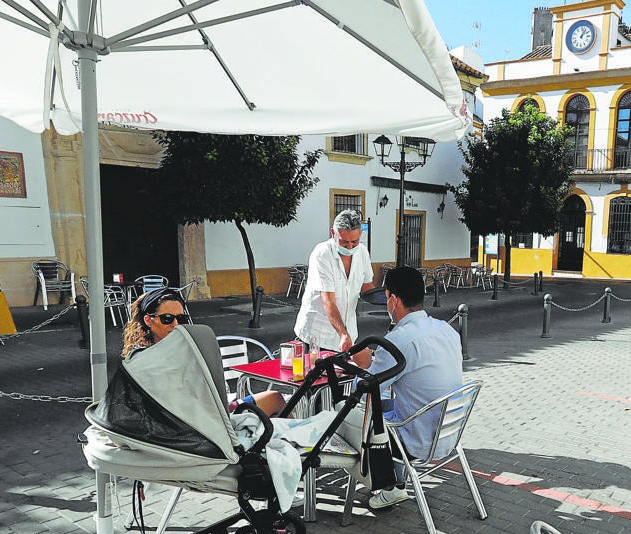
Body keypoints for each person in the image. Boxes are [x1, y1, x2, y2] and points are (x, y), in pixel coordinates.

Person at [355, 266, 464, 509]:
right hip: (450, 432)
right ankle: (396, 483)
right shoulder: (446, 329)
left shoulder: (398, 340)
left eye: (387, 298)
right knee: (390, 408)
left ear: (393, 300)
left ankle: (389, 487)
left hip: (418, 441)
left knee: (352, 416)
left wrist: (363, 365)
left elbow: (365, 391)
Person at [123, 288, 285, 417]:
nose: (176, 324)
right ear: (148, 320)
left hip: (206, 413)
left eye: (181, 318)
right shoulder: (145, 358)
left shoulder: (180, 346)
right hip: (198, 422)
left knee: (274, 397)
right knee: (275, 401)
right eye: (167, 318)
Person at [295, 210, 376, 353]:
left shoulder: (362, 252)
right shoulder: (322, 254)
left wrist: (391, 300)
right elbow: (328, 301)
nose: (350, 247)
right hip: (317, 336)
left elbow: (367, 286)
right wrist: (343, 334)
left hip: (348, 333)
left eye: (354, 242)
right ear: (333, 233)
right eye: (344, 242)